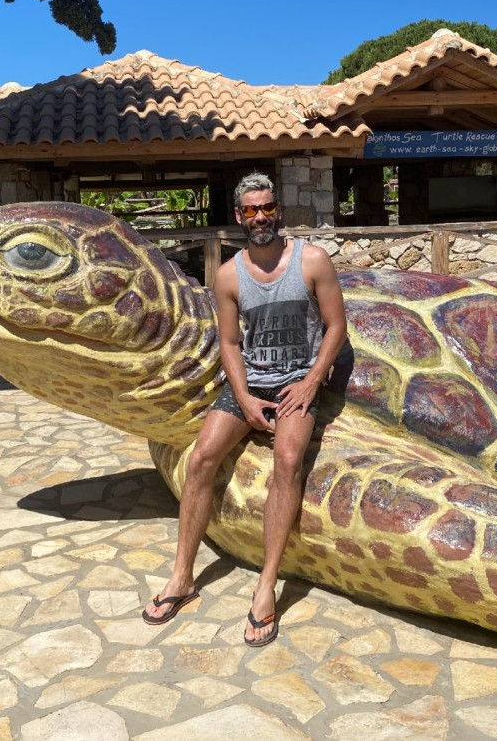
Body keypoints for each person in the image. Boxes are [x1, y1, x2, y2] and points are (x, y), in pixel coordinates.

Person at [143, 172, 347, 647]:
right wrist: (246, 396)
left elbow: (336, 328)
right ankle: (182, 577)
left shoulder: (312, 261)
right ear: (239, 216)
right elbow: (231, 343)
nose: (260, 217)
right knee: (200, 460)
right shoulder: (229, 275)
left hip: (298, 384)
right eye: (251, 210)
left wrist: (311, 382)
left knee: (289, 461)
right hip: (250, 383)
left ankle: (265, 585)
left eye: (267, 208)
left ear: (278, 210)